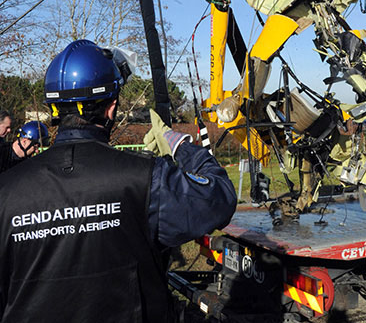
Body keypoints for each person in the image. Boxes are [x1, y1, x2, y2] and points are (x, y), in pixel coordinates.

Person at [0, 39, 237, 323]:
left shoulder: (6, 190)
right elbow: (219, 198)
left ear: (54, 109)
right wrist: (179, 144)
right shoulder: (145, 177)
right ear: (111, 108)